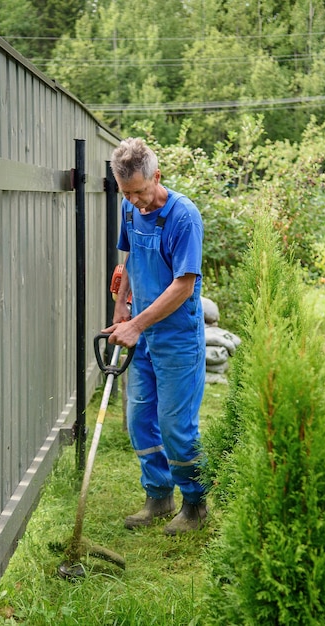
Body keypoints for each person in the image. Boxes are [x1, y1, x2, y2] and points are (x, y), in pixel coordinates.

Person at [102, 137, 207, 535]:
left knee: (175, 426)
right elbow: (128, 258)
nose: (135, 202)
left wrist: (136, 324)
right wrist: (120, 307)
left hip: (177, 337)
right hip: (141, 334)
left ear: (157, 177)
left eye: (141, 192)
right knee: (140, 420)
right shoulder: (130, 208)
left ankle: (195, 504)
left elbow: (183, 285)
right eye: (126, 194)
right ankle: (158, 496)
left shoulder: (184, 217)